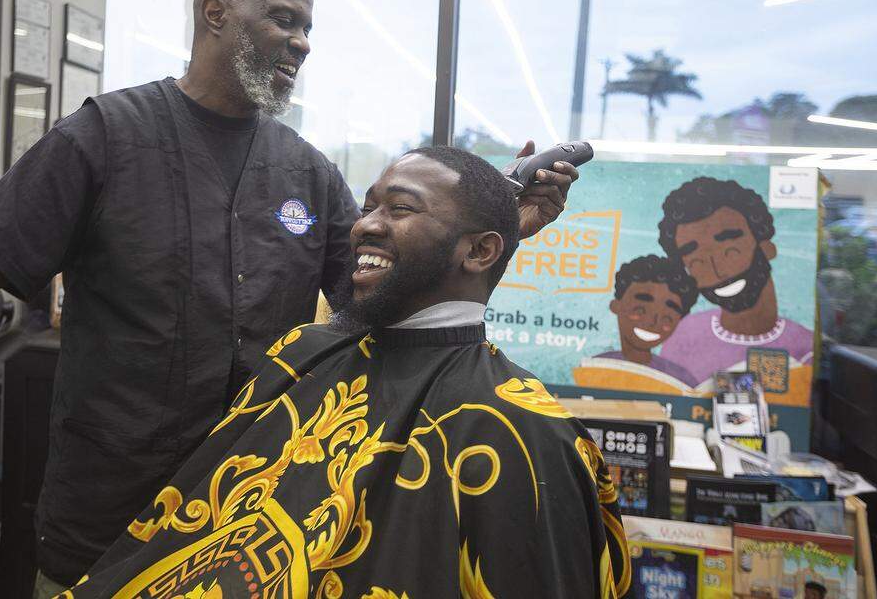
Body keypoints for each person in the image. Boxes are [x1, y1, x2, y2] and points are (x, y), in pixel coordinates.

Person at [0, 0, 581, 593]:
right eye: (283, 19)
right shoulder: (105, 137)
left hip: (249, 533)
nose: (302, 43)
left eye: (308, 28)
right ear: (215, 15)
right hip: (105, 522)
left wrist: (492, 235)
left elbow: (392, 298)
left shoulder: (306, 172)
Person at [56, 147, 629, 598]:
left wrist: (487, 231)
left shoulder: (523, 432)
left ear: (479, 252)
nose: (364, 227)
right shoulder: (302, 354)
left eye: (398, 209)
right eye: (368, 207)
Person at [655, 177, 813, 386]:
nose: (716, 270)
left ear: (766, 248)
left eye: (730, 251)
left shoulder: (803, 348)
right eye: (697, 261)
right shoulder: (684, 336)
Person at [595, 254, 699, 387]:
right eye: (640, 310)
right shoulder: (597, 367)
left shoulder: (680, 379)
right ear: (616, 306)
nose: (652, 322)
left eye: (667, 318)